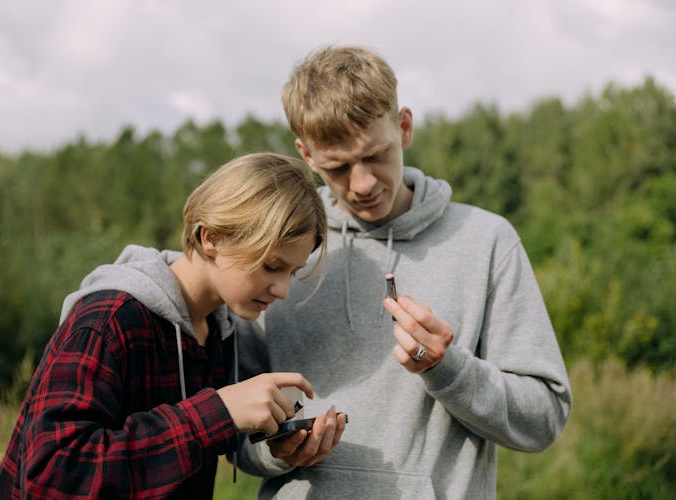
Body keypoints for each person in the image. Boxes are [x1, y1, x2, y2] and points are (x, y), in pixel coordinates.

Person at [234, 46, 572, 499]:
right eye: (338, 167)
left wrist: (449, 370)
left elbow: (544, 418)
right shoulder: (279, 252)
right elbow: (233, 435)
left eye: (375, 155)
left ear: (405, 127)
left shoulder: (487, 241)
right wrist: (277, 451)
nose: (363, 183)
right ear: (306, 155)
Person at [0, 152, 329, 499]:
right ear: (212, 238)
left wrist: (278, 447)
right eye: (272, 266)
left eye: (293, 271)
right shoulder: (109, 320)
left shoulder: (217, 334)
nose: (284, 290)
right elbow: (50, 476)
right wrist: (215, 414)